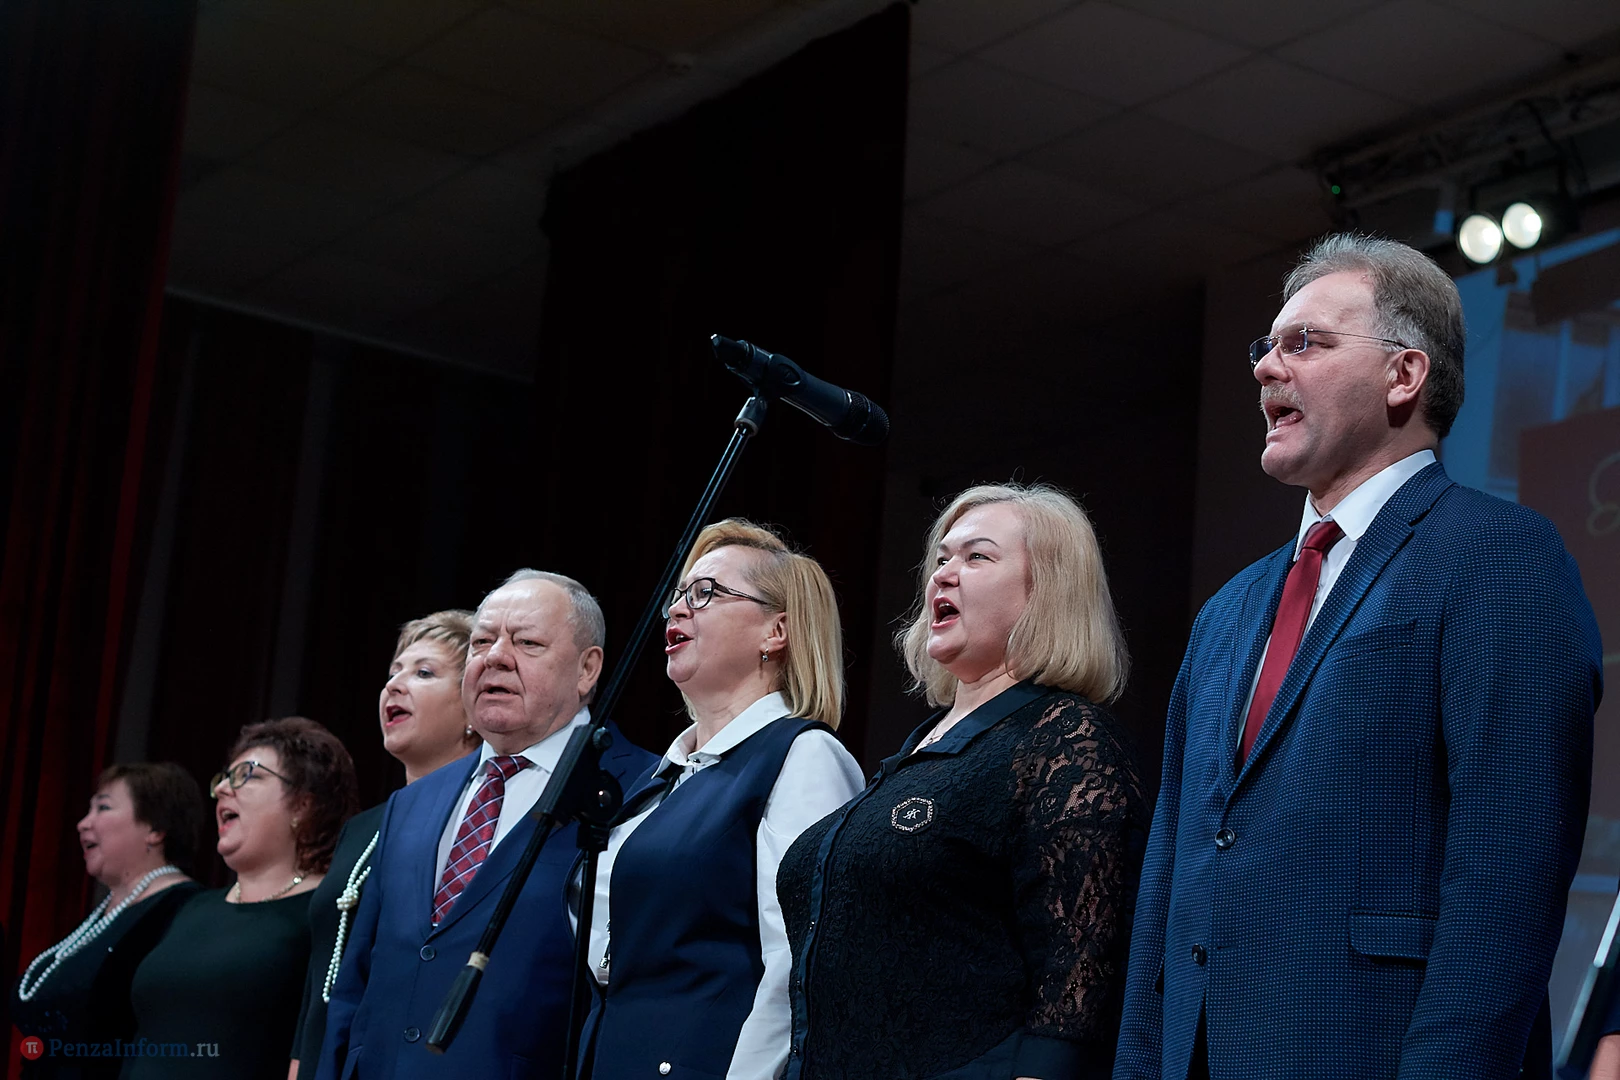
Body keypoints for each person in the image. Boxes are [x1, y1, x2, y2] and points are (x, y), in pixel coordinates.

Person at [1114, 234, 1602, 1080]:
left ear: (1403, 375)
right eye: (1265, 346)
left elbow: (1508, 879)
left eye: (1305, 342)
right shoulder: (1226, 611)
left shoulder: (1498, 556)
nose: (1266, 368)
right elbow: (1171, 874)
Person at [778, 483, 1147, 1080]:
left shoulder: (1065, 739)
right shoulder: (918, 749)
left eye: (977, 557)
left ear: (1047, 591)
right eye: (941, 558)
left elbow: (1082, 975)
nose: (942, 575)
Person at [317, 570, 657, 1080]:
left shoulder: (640, 789)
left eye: (527, 642)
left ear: (587, 669)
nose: (495, 657)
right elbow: (356, 984)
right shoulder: (411, 803)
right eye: (481, 642)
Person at [579, 520, 865, 1080]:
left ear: (776, 631)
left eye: (705, 592)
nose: (677, 610)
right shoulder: (660, 779)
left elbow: (798, 965)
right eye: (679, 595)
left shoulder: (802, 756)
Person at [289, 610, 481, 1079]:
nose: (394, 685)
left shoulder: (478, 829)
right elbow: (321, 975)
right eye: (393, 672)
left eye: (423, 673)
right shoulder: (362, 830)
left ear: (472, 708)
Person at [124, 718, 358, 1079]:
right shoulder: (193, 907)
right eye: (224, 779)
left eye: (247, 775)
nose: (222, 790)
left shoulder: (328, 911)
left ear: (303, 804)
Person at [11, 764, 207, 1078]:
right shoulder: (108, 911)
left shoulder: (184, 910)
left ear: (155, 829)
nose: (83, 824)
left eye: (103, 807)